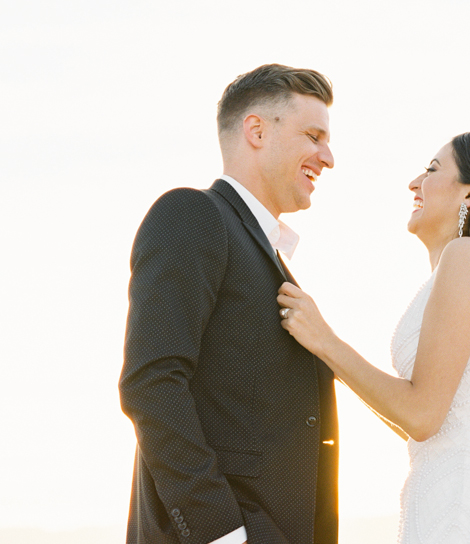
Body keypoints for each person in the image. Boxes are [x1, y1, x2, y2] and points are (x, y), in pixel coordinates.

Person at [278, 132, 470, 543]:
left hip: (462, 515)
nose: (414, 183)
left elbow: (421, 416)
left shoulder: (467, 256)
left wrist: (326, 342)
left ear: (469, 194)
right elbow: (432, 423)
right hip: (469, 509)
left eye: (432, 169)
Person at [119, 63, 339, 544]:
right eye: (313, 135)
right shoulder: (193, 215)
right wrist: (224, 533)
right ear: (256, 131)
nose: (328, 156)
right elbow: (151, 381)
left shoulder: (269, 256)